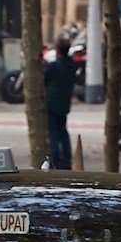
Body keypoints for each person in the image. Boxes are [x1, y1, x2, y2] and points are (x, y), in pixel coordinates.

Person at [41, 34, 78, 169]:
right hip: (64, 104)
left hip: (51, 104)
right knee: (63, 131)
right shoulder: (71, 65)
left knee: (53, 133)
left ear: (57, 50)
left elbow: (44, 79)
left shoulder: (54, 66)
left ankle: (56, 159)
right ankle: (67, 159)